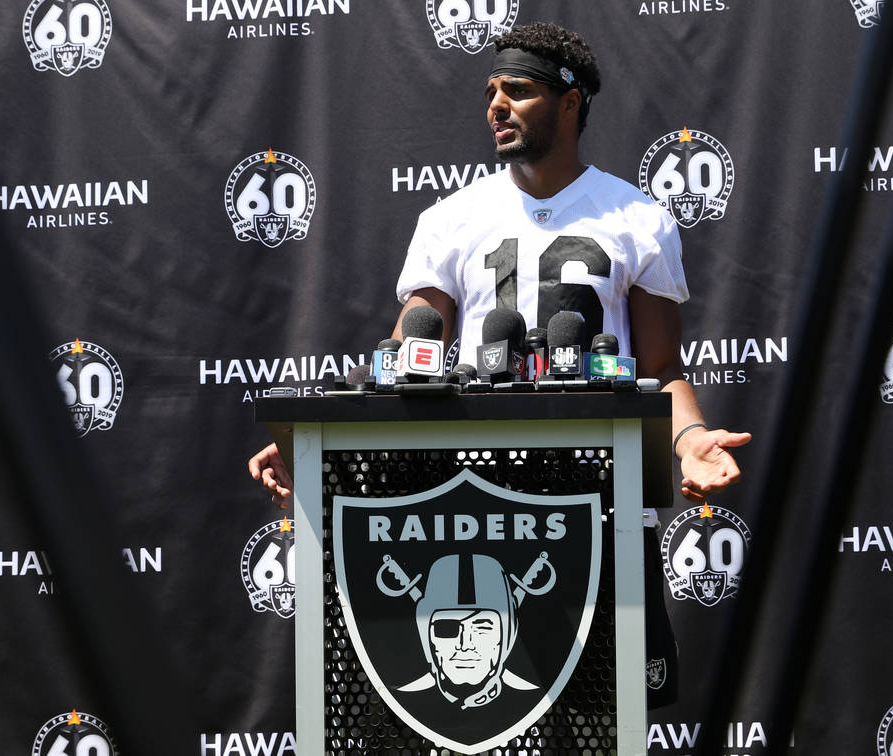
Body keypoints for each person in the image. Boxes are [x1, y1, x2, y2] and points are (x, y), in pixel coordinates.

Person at [249, 22, 750, 509]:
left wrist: (690, 442)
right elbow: (409, 358)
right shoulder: (449, 217)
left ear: (570, 103)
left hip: (599, 483)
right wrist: (316, 438)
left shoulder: (640, 218)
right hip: (472, 487)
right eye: (491, 91)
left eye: (517, 90)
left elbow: (661, 368)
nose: (496, 106)